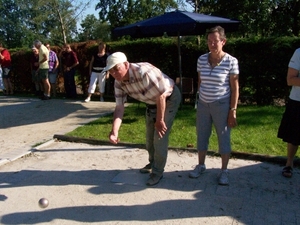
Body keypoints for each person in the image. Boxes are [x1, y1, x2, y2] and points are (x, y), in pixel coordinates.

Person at [105, 52, 181, 186]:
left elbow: (161, 96)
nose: (115, 73)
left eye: (117, 68)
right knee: (148, 139)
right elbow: (119, 108)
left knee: (159, 137)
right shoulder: (118, 83)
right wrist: (114, 131)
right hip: (152, 102)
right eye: (111, 71)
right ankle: (153, 162)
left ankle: (157, 173)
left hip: (169, 98)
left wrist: (160, 120)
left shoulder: (144, 72)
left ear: (126, 64)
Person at [189, 26, 239, 185]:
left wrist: (233, 110)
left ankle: (224, 171)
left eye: (215, 41)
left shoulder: (231, 61)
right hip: (203, 104)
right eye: (209, 41)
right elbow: (200, 81)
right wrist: (200, 99)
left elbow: (235, 88)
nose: (211, 44)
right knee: (202, 134)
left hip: (222, 104)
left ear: (223, 41)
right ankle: (201, 164)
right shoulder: (201, 59)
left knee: (223, 136)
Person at [277, 48, 300, 178]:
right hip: (298, 101)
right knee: (293, 135)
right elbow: (290, 80)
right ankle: (289, 163)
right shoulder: (298, 53)